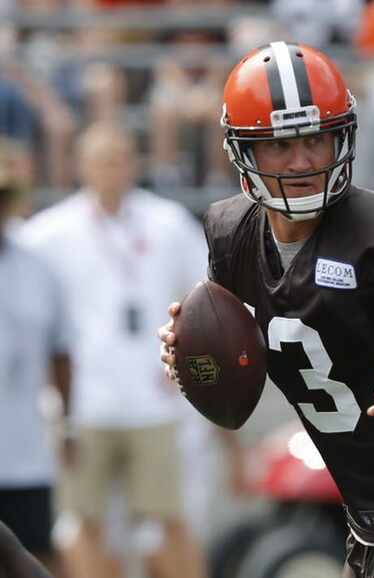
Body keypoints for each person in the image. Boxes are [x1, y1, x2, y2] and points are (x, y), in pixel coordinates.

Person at [159, 42, 374, 578]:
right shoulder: (232, 236)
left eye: (315, 140)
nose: (302, 161)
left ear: (341, 137)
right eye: (281, 145)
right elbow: (220, 337)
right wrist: (185, 346)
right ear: (245, 152)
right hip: (365, 523)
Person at [20, 122, 211, 578]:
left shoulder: (167, 222)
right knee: (85, 522)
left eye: (120, 158)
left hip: (153, 401)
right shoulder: (51, 232)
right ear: (80, 166)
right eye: (101, 159)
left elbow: (206, 294)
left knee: (169, 519)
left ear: (135, 164)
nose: (111, 169)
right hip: (85, 403)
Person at [0, 137, 73, 578]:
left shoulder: (37, 265)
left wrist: (67, 421)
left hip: (24, 450)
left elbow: (60, 352)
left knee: (33, 558)